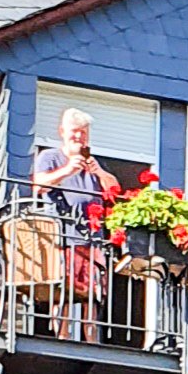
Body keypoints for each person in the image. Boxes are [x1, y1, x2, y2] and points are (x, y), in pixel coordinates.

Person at [30, 107, 119, 336]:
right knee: (66, 289)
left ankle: (90, 337)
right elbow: (37, 186)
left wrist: (99, 173)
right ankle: (62, 335)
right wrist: (68, 169)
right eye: (74, 131)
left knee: (92, 292)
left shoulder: (93, 162)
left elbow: (114, 189)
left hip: (92, 237)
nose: (78, 137)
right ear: (62, 132)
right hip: (63, 235)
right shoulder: (50, 157)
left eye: (83, 132)